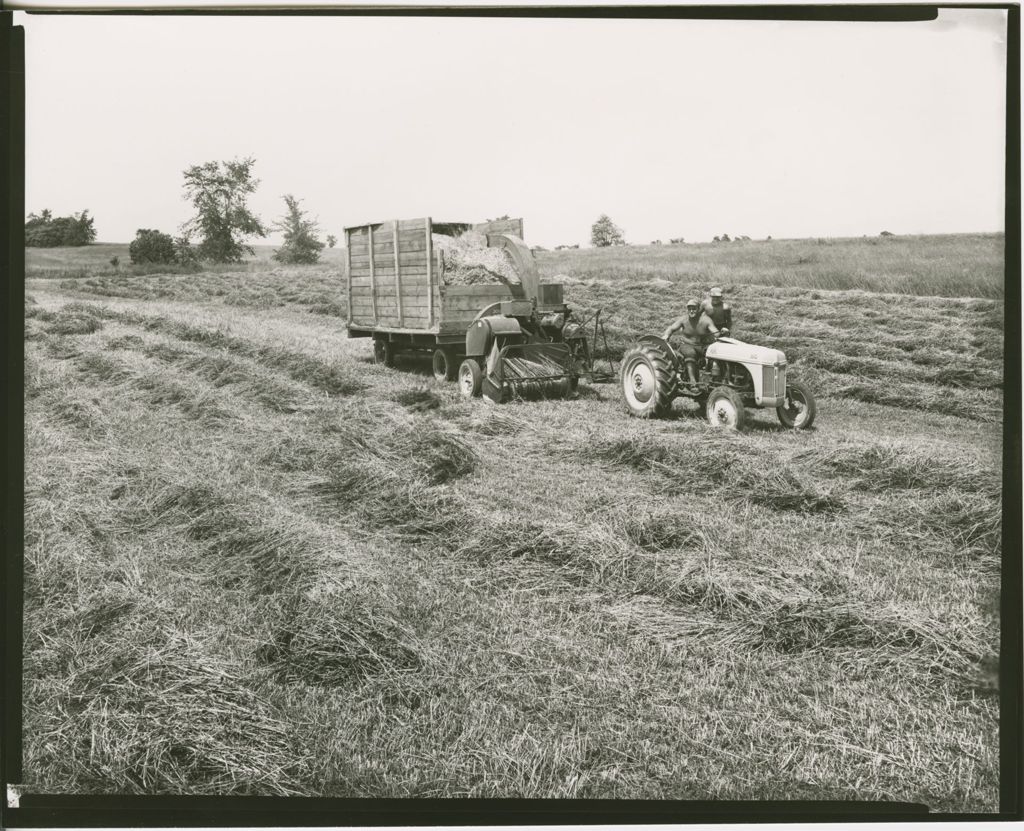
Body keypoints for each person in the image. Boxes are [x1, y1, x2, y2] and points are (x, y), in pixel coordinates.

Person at [662, 298, 721, 388]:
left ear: (699, 309)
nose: (691, 311)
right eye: (689, 309)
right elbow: (671, 328)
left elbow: (715, 332)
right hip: (686, 344)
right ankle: (692, 382)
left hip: (702, 345)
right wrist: (666, 335)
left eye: (694, 308)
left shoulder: (705, 320)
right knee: (690, 353)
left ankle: (714, 380)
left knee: (715, 353)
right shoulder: (684, 320)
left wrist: (720, 333)